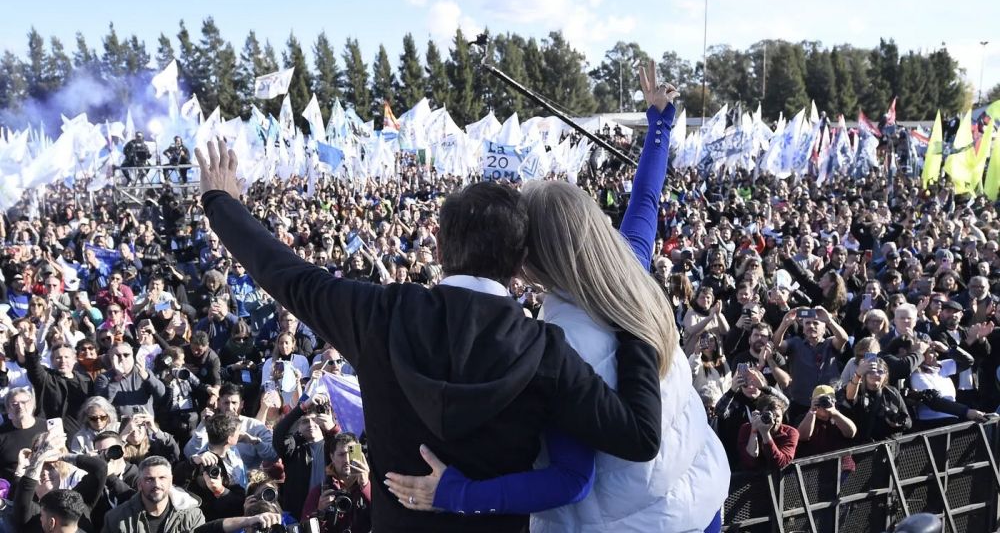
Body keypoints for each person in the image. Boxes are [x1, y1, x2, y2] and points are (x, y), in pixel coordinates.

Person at [197, 139, 664, 533]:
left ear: (439, 249)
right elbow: (640, 437)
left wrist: (222, 204)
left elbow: (289, 277)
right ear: (520, 263)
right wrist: (633, 319)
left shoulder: (378, 312)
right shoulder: (547, 350)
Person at [383, 62, 729, 532]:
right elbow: (646, 197)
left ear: (527, 258)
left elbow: (571, 481)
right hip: (703, 499)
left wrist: (459, 494)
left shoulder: (557, 345)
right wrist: (660, 123)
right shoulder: (632, 273)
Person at [102, 455, 205, 532]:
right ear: (139, 484)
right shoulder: (115, 519)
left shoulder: (192, 516)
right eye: (149, 479)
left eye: (162, 478)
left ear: (171, 481)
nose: (156, 484)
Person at [300, 432, 372, 533]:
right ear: (332, 457)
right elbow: (305, 530)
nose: (347, 460)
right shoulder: (321, 491)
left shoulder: (372, 487)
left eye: (351, 453)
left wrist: (365, 487)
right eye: (341, 454)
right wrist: (320, 513)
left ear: (360, 455)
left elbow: (385, 518)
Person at [738, 394, 799, 470]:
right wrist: (754, 431)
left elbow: (780, 463)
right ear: (759, 414)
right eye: (768, 415)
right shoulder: (746, 429)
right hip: (752, 478)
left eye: (777, 416)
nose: (773, 419)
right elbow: (749, 461)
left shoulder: (790, 432)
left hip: (779, 479)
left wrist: (765, 434)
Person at [0, 387, 47, 482]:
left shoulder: (47, 428)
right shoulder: (2, 433)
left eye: (24, 402)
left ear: (32, 404)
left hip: (44, 484)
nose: (20, 406)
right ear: (8, 410)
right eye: (14, 404)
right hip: (11, 489)